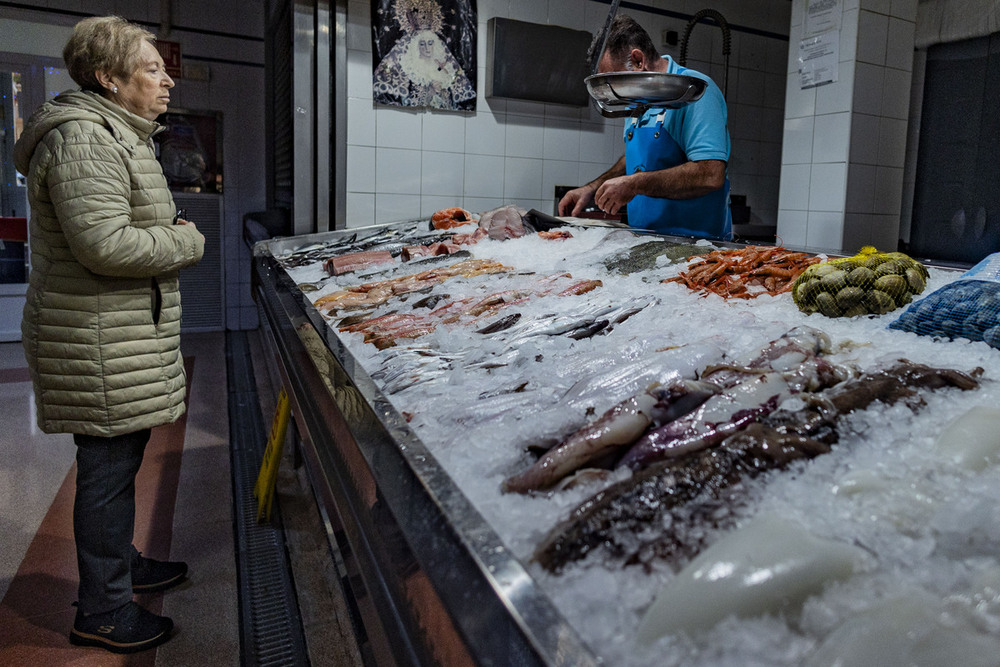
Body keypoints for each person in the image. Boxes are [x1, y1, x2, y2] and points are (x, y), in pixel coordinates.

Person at [13, 16, 205, 654]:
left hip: (114, 336)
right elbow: (104, 243)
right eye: (152, 68)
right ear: (109, 78)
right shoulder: (87, 141)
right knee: (105, 471)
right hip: (95, 340)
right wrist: (185, 238)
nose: (166, 79)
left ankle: (117, 565)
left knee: (117, 468)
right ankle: (101, 609)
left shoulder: (117, 134)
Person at [559, 14, 733, 241]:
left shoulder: (693, 91)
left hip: (696, 248)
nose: (616, 93)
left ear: (639, 61)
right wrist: (591, 189)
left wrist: (635, 184)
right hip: (646, 242)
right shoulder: (639, 100)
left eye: (617, 80)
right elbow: (637, 158)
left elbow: (710, 174)